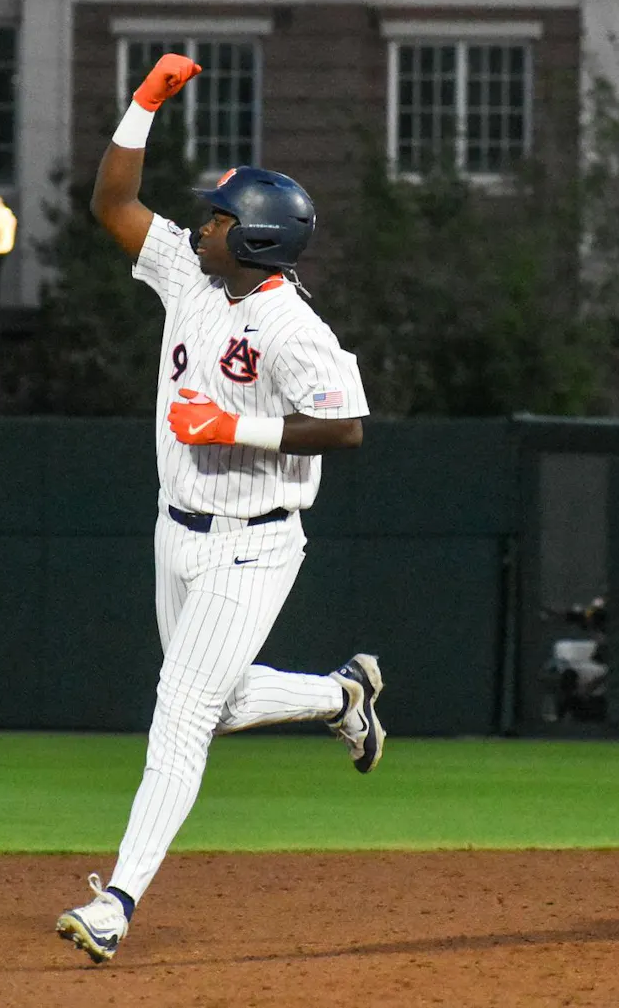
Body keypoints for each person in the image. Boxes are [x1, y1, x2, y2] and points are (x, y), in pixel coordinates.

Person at [55, 53, 380, 964]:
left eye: (220, 218)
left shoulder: (293, 328)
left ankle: (117, 900)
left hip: (256, 542)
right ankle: (340, 694)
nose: (202, 225)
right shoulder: (193, 276)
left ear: (261, 243)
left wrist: (238, 425)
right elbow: (112, 208)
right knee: (219, 702)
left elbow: (346, 426)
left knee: (179, 712)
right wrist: (141, 106)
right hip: (178, 530)